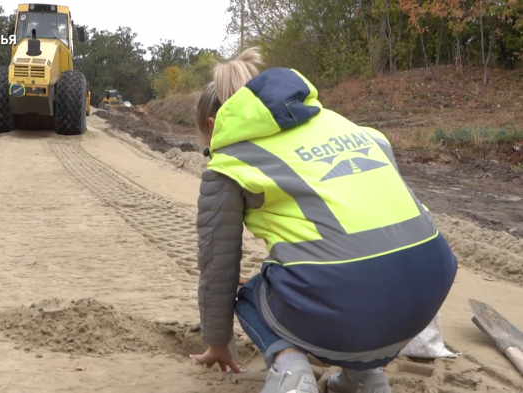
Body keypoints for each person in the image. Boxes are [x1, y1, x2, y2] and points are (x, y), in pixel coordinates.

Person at [188, 48, 458, 393]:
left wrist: (218, 341)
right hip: (424, 297)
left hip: (351, 300)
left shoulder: (229, 163)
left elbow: (217, 266)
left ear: (213, 126)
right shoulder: (344, 125)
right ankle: (365, 377)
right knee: (355, 270)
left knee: (253, 293)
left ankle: (291, 373)